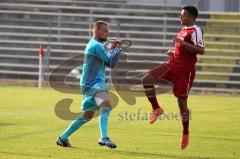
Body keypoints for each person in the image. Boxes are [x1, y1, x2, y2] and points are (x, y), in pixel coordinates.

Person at [142, 5, 204, 150]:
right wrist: (174, 52)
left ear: (191, 17)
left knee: (182, 104)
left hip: (184, 71)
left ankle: (185, 133)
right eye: (180, 15)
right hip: (172, 64)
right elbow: (184, 50)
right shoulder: (183, 30)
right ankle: (156, 108)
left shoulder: (196, 30)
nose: (180, 17)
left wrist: (182, 43)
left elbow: (201, 50)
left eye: (183, 15)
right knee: (146, 79)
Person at [56, 20, 121, 149]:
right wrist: (117, 50)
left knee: (87, 115)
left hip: (89, 82)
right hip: (93, 83)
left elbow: (107, 58)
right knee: (106, 106)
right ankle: (104, 137)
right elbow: (111, 63)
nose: (107, 33)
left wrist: (113, 49)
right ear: (96, 31)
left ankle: (62, 138)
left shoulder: (95, 45)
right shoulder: (96, 45)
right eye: (105, 30)